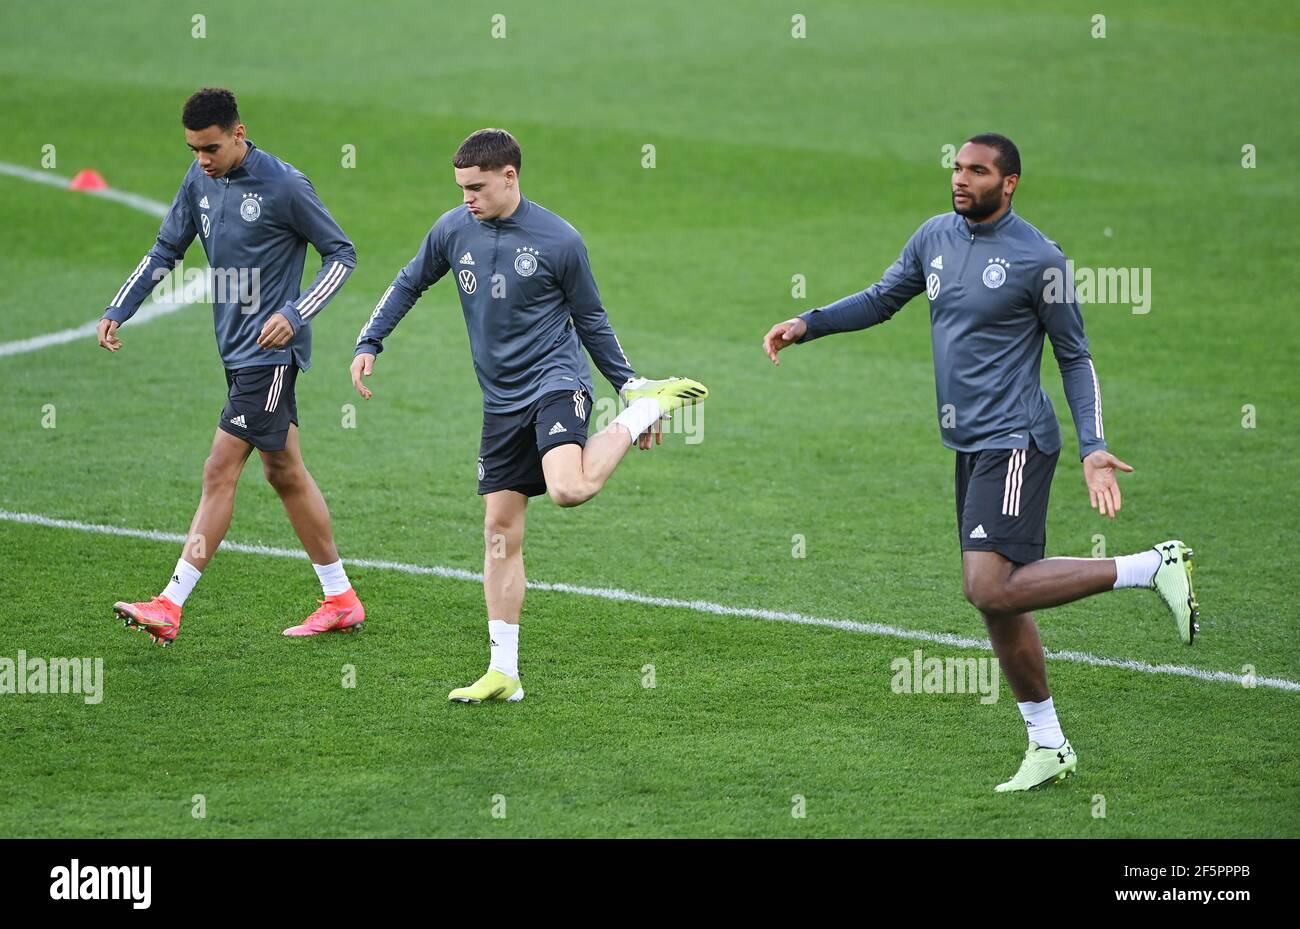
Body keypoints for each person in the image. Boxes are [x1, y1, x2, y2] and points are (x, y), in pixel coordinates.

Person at [761, 133, 1199, 791]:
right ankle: (1048, 744)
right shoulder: (935, 236)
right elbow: (883, 298)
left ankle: (1151, 565)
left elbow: (1075, 355)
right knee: (998, 601)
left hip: (1016, 439)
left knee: (988, 585)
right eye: (957, 168)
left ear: (1010, 182)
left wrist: (1093, 446)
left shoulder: (1039, 259)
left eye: (977, 171)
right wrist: (808, 322)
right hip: (970, 445)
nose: (961, 179)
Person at [352, 128, 707, 703]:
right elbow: (409, 281)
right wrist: (371, 341)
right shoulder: (453, 229)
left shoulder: (559, 240)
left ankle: (640, 413)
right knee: (499, 533)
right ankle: (504, 674)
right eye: (461, 187)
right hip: (500, 401)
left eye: (477, 186)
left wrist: (627, 385)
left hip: (556, 382)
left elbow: (591, 319)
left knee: (567, 490)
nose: (467, 197)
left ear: (510, 176)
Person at [99, 87, 364, 644]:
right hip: (235, 352)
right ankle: (341, 598)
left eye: (211, 148)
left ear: (239, 133)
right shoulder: (199, 178)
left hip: (269, 358)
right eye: (194, 149)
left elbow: (342, 254)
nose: (202, 159)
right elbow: (164, 250)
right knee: (284, 472)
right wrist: (121, 307)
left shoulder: (285, 186)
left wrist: (296, 312)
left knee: (219, 469)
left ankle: (170, 604)